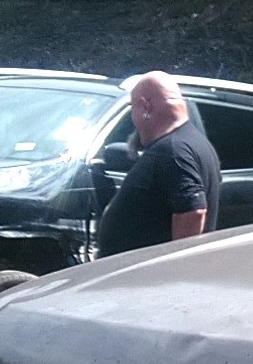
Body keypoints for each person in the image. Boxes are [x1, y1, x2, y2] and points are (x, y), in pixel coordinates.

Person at [95, 72, 223, 257]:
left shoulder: (173, 151)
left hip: (146, 279)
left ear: (145, 106)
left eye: (133, 108)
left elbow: (193, 210)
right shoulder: (192, 142)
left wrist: (172, 265)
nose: (134, 118)